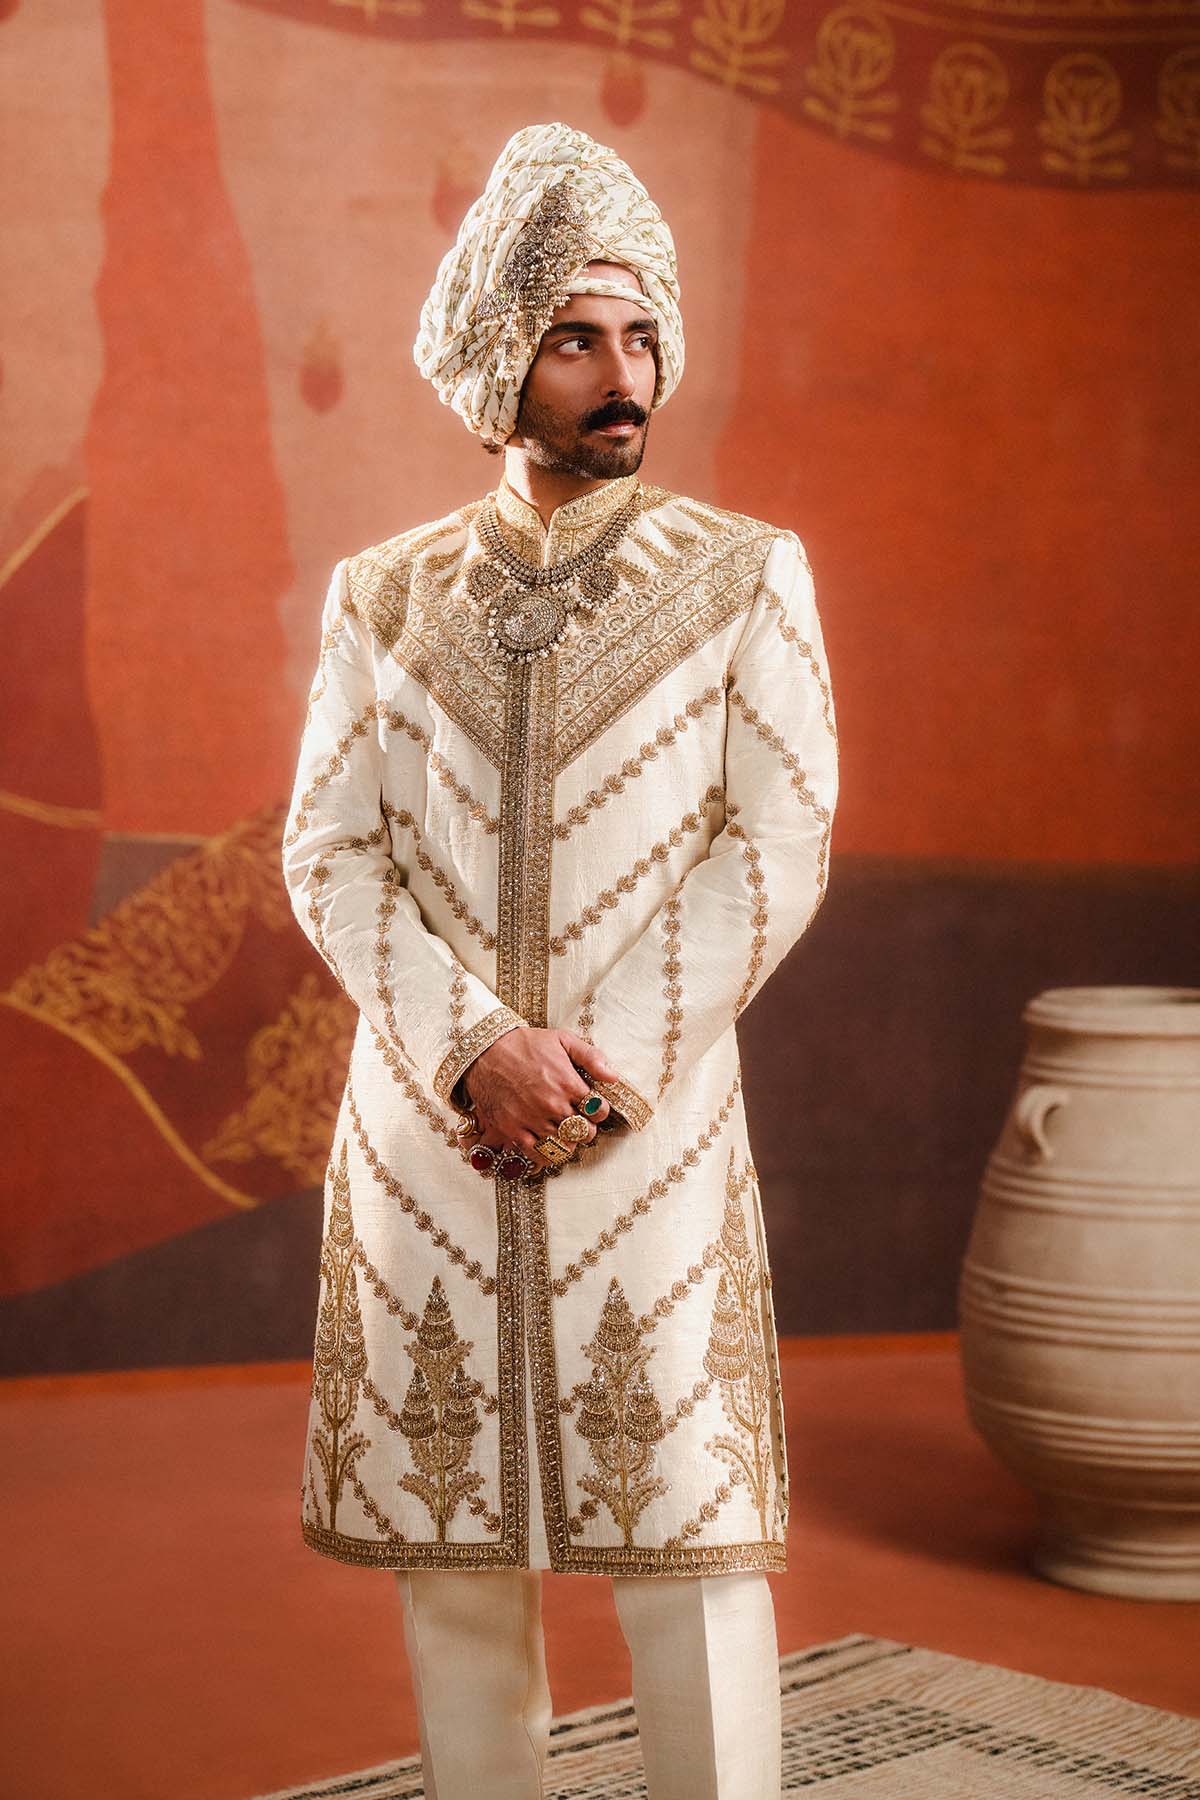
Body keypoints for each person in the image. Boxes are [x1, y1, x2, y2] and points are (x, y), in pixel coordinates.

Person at [282, 120, 838, 1800]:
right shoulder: (383, 599)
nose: (625, 374)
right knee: (455, 1568)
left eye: (643, 334)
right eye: (578, 339)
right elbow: (331, 851)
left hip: (643, 1136)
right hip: (433, 1135)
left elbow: (779, 839)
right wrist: (476, 1049)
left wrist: (599, 1070)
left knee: (689, 1559)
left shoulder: (742, 577)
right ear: (496, 361)